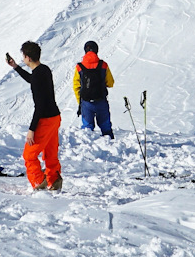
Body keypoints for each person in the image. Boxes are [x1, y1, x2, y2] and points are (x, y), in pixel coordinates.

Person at [6, 40, 62, 190]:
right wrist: (16, 67)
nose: (23, 59)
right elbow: (32, 80)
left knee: (29, 155)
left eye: (23, 56)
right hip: (55, 117)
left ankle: (39, 183)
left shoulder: (38, 75)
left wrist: (32, 129)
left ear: (28, 57)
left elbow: (40, 106)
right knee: (50, 153)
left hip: (45, 119)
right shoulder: (44, 70)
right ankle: (54, 180)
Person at [73, 40, 114, 138]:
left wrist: (80, 102)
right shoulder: (103, 65)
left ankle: (87, 150)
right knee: (106, 127)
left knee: (87, 129)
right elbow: (110, 83)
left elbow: (76, 86)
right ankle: (111, 147)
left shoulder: (79, 67)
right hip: (101, 101)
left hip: (86, 103)